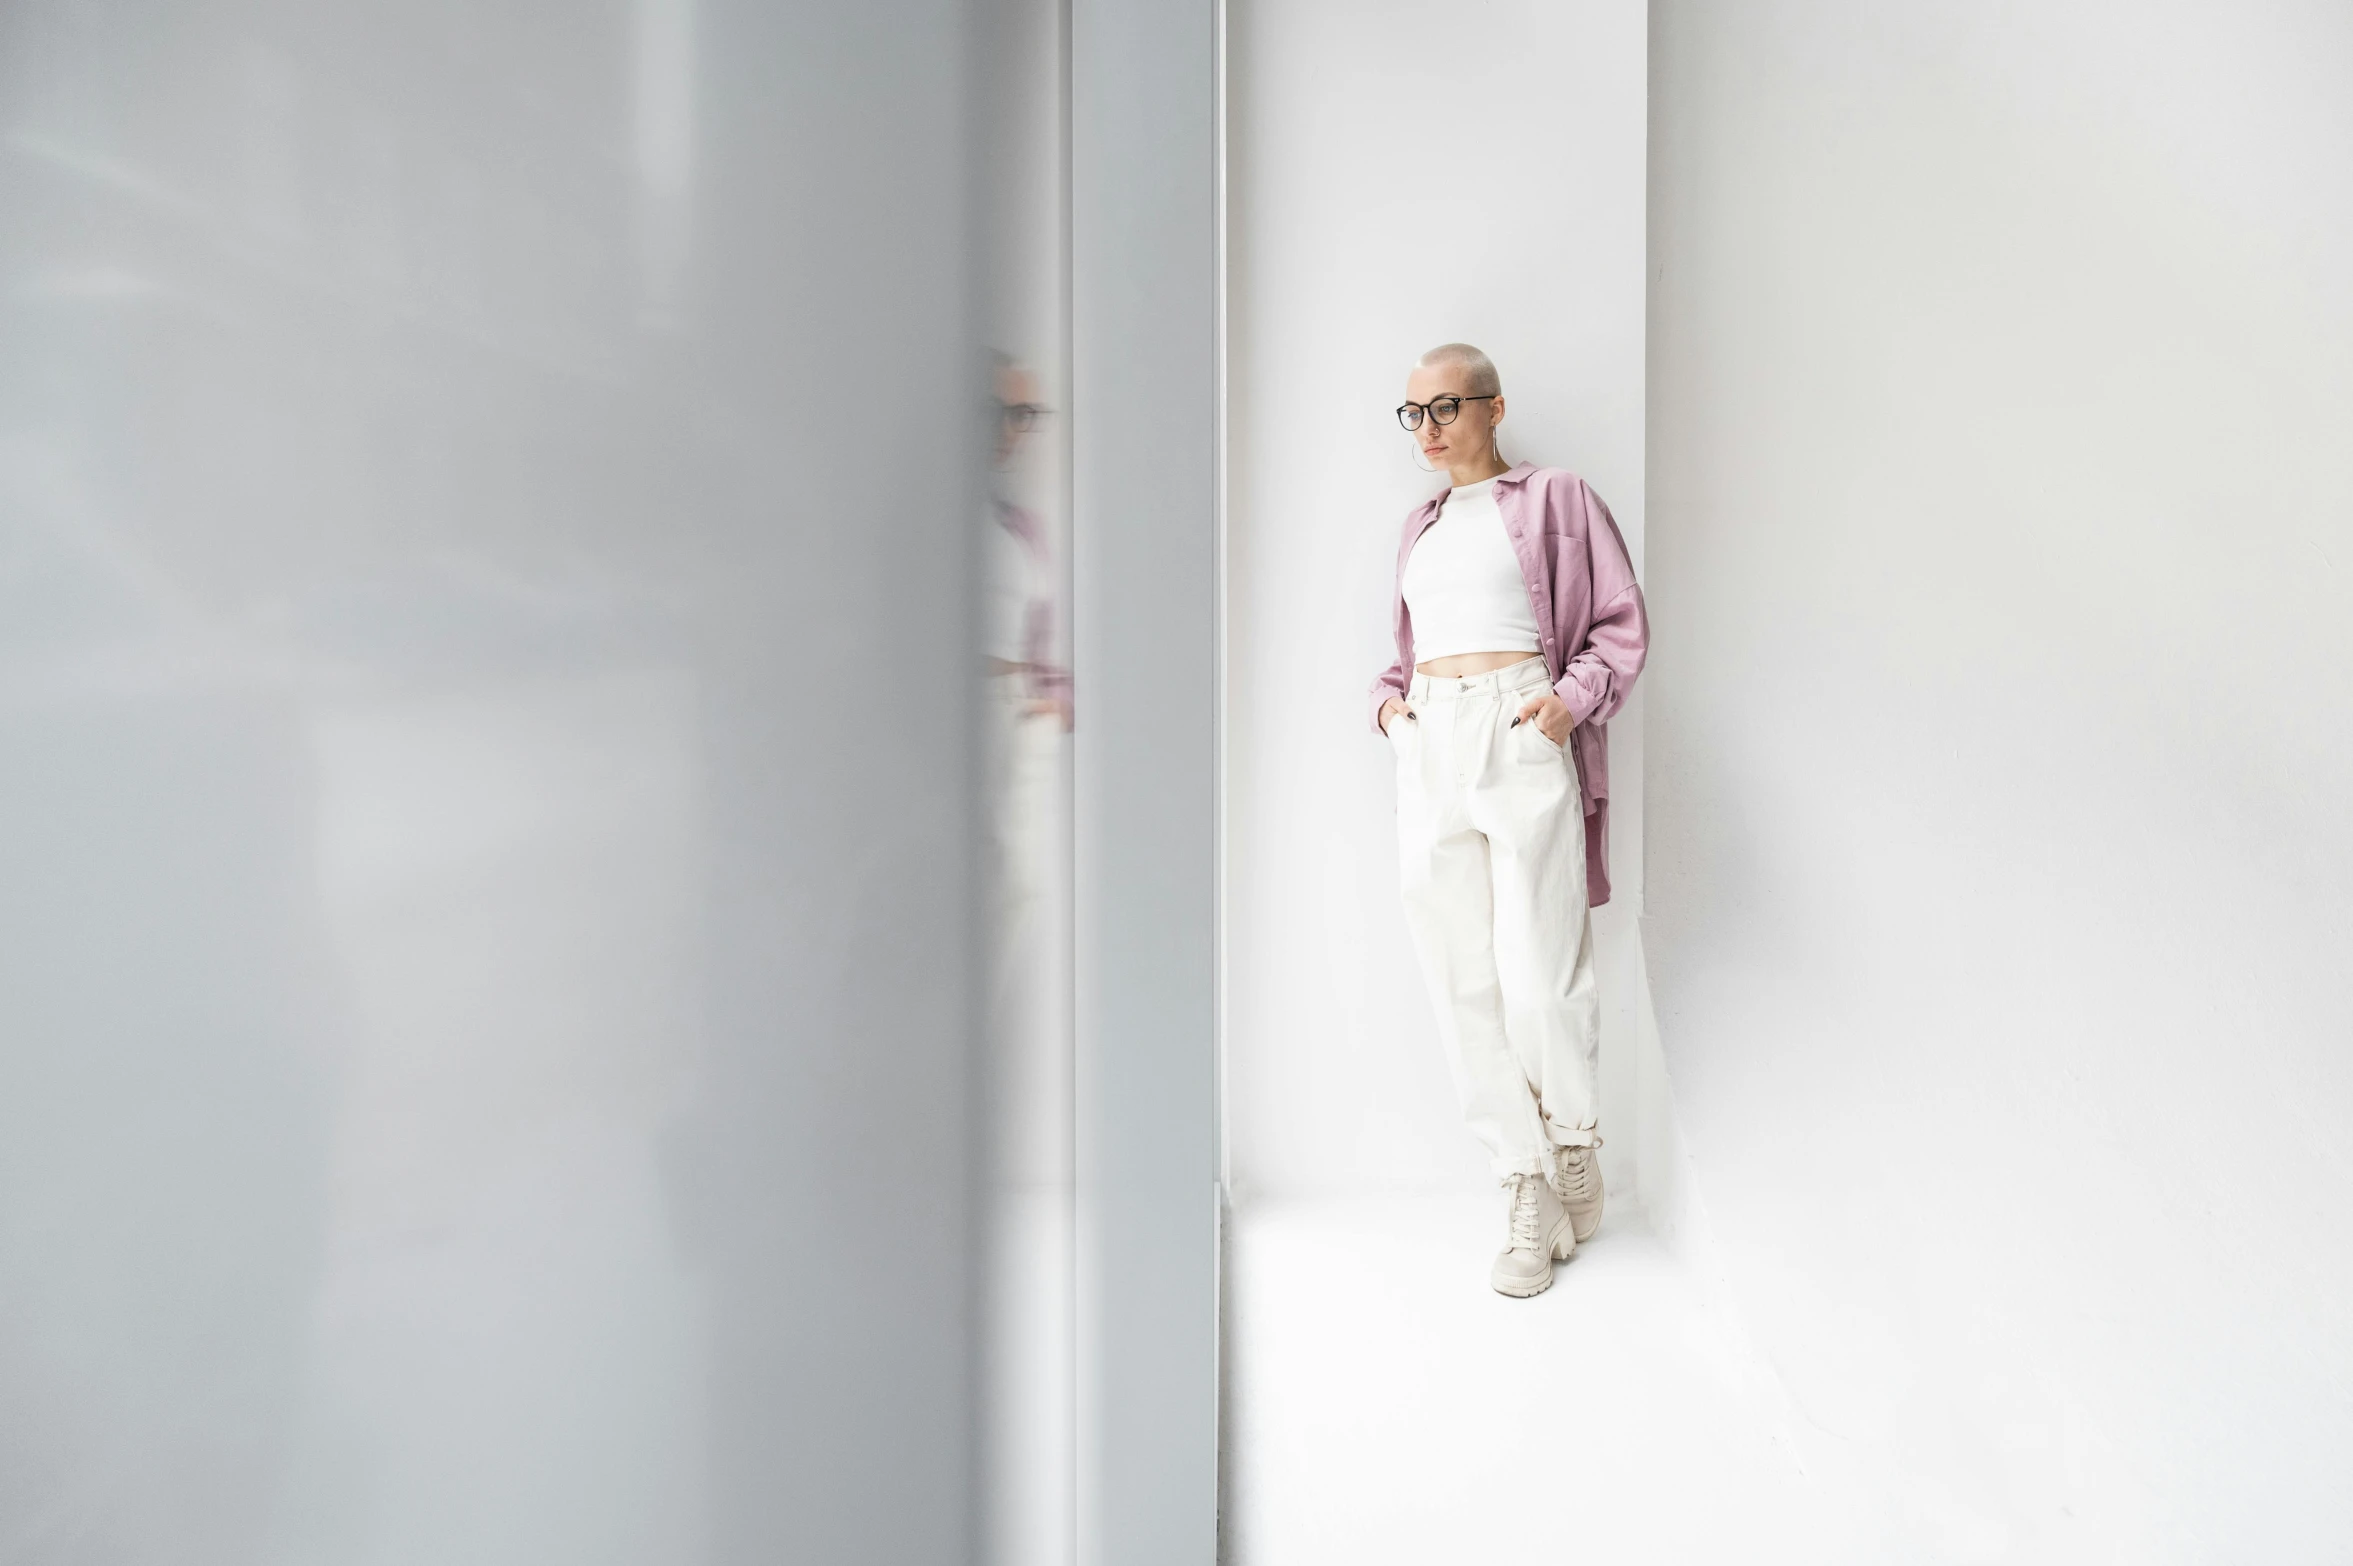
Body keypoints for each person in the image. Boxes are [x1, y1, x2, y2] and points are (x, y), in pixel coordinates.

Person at [1371, 343, 1648, 1298]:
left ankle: (1574, 1142)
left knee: (1539, 965)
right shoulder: (1419, 526)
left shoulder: (1554, 498)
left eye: (1446, 406)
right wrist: (1391, 711)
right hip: (1431, 743)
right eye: (1413, 413)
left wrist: (1567, 704)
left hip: (1522, 721)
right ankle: (1522, 1179)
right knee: (1458, 975)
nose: (1430, 427)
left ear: (1493, 407)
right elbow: (1407, 648)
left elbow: (1618, 619)